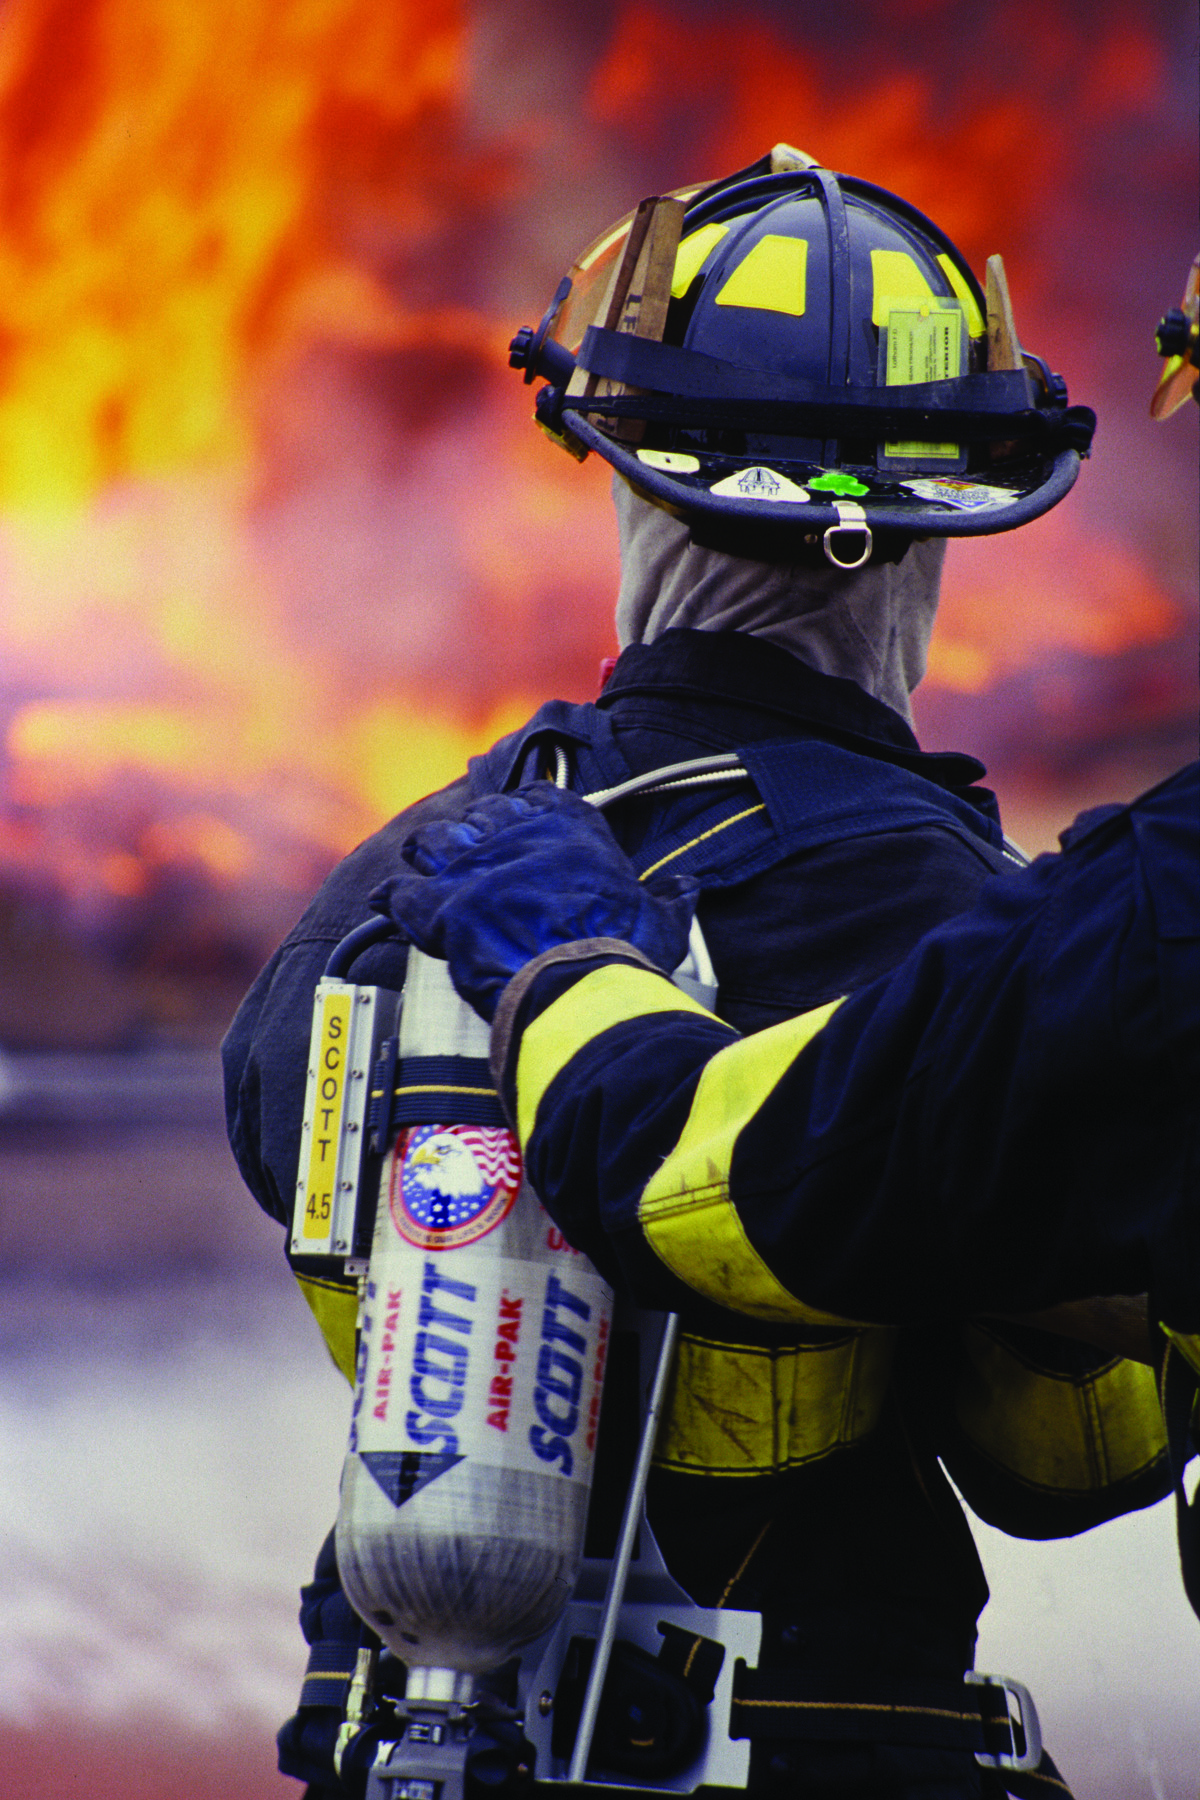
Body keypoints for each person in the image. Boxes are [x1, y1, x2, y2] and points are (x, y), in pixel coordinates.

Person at [223, 146, 1166, 1797]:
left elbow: (277, 1138)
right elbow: (1066, 1463)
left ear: (625, 477)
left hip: (403, 1741)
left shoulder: (417, 866)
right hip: (809, 1749)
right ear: (938, 532)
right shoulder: (951, 905)